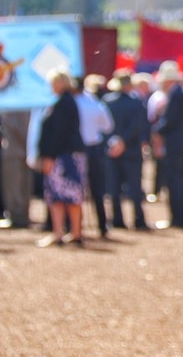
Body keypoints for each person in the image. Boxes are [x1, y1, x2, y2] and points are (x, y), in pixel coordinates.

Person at [37, 69, 88, 248]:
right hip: (66, 155)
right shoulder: (65, 101)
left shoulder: (63, 103)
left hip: (63, 156)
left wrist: (49, 156)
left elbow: (58, 133)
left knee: (68, 196)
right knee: (60, 197)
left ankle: (71, 232)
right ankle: (64, 232)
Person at [102, 69, 151, 230]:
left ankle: (117, 220)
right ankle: (139, 220)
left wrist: (114, 142)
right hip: (132, 151)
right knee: (135, 187)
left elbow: (104, 126)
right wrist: (124, 141)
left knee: (114, 187)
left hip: (112, 150)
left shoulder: (107, 101)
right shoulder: (136, 103)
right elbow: (138, 126)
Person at [151, 61, 183, 230]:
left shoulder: (176, 95)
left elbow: (170, 121)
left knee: (173, 182)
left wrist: (157, 129)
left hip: (174, 145)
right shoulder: (182, 94)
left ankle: (177, 219)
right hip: (179, 144)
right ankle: (178, 218)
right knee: (176, 182)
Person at [74, 74, 115, 239]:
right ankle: (102, 225)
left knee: (76, 190)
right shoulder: (94, 101)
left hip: (76, 149)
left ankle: (75, 227)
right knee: (98, 189)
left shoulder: (70, 103)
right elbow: (108, 126)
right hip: (94, 149)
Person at [0, 110, 32, 228]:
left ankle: (18, 217)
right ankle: (20, 215)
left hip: (14, 151)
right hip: (25, 151)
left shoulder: (11, 106)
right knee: (21, 185)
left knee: (15, 185)